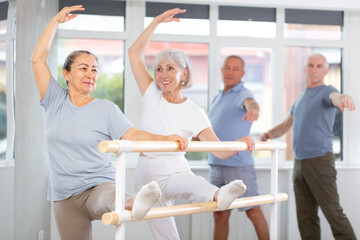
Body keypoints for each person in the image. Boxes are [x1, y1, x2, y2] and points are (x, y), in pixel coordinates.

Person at [31, 6, 188, 240]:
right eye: (83, 68)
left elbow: (132, 135)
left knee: (112, 196)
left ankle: (134, 202)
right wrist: (54, 21)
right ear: (66, 73)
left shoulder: (106, 109)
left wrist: (165, 138)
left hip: (98, 186)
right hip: (63, 196)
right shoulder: (54, 100)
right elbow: (37, 59)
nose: (90, 74)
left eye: (94, 69)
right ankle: (132, 202)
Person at [128, 8, 255, 240]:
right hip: (147, 176)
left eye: (170, 68)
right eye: (158, 69)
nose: (162, 74)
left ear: (184, 74)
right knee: (168, 237)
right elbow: (134, 52)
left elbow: (218, 150)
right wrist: (156, 22)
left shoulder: (195, 112)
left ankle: (219, 195)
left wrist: (240, 144)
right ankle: (218, 195)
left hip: (176, 172)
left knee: (195, 182)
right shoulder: (151, 93)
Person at [261, 53, 356, 240]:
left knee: (333, 213)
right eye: (311, 65)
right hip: (299, 163)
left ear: (326, 71)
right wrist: (268, 134)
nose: (314, 69)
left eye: (319, 66)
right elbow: (286, 124)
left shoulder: (326, 91)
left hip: (320, 161)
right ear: (305, 69)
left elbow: (336, 97)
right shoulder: (301, 97)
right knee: (305, 218)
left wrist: (345, 97)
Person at [207, 55, 269, 240]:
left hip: (238, 165)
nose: (230, 72)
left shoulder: (244, 94)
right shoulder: (218, 98)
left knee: (253, 211)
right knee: (219, 214)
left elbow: (251, 102)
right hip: (216, 164)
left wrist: (254, 109)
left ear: (242, 73)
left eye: (235, 69)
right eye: (227, 68)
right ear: (222, 70)